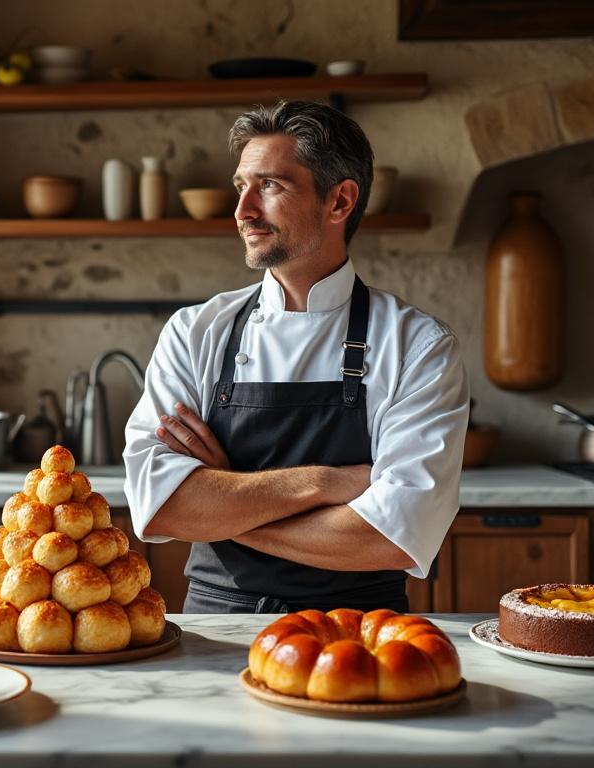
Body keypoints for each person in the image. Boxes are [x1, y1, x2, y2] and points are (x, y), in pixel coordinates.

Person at [122, 101, 469, 614]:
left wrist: (223, 500)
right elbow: (162, 507)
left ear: (339, 201)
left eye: (269, 186)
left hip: (358, 631)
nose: (243, 211)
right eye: (241, 186)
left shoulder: (418, 346)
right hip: (216, 628)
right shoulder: (195, 333)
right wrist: (327, 483)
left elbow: (391, 537)